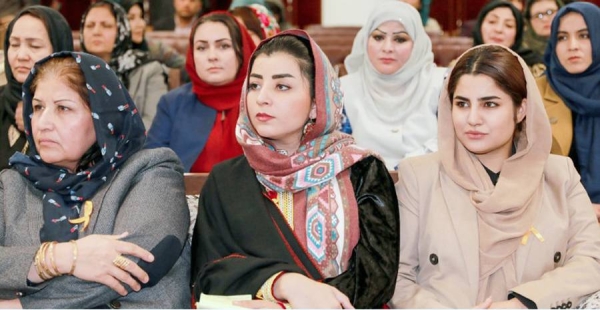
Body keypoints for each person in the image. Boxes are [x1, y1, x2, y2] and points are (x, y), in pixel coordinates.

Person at [191, 30, 399, 309]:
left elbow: (376, 279)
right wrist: (283, 284)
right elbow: (208, 275)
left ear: (316, 103)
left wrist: (290, 307)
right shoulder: (227, 179)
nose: (262, 98)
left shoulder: (361, 170)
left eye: (282, 87)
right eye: (254, 85)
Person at [389, 44, 600, 308]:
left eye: (490, 104)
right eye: (462, 104)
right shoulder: (419, 177)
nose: (473, 119)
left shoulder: (559, 176)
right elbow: (398, 277)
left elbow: (591, 262)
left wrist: (522, 304)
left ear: (521, 109)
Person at [0, 51, 190, 308]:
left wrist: (22, 306)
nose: (42, 123)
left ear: (104, 117)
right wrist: (59, 257)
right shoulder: (12, 184)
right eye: (37, 107)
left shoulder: (150, 171)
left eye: (63, 108)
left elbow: (133, 265)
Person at [145, 12, 256, 172]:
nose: (212, 56)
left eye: (223, 46)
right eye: (202, 48)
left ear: (242, 50)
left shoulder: (261, 101)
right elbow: (150, 168)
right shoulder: (172, 103)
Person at [340, 1, 444, 170]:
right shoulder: (344, 89)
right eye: (378, 37)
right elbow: (337, 148)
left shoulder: (441, 84)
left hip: (433, 185)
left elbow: (453, 142)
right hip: (362, 189)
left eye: (400, 39)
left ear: (416, 44)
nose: (387, 48)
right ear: (365, 40)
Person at [537, 2, 600, 221]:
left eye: (584, 35)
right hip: (555, 217)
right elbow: (521, 169)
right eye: (562, 37)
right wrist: (579, 207)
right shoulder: (533, 94)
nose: (573, 45)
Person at [1, 6, 73, 171]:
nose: (21, 55)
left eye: (34, 46)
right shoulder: (3, 100)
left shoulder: (79, 109)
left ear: (59, 50)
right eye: (14, 44)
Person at [80, 0, 168, 128]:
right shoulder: (71, 69)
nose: (96, 32)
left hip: (133, 146)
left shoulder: (150, 70)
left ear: (122, 30)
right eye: (90, 25)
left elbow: (154, 124)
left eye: (106, 25)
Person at [473, 0, 544, 74]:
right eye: (492, 21)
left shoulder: (533, 69)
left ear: (517, 33)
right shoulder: (465, 63)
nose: (499, 29)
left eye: (509, 25)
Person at [122, 0, 186, 69]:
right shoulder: (110, 54)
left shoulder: (155, 48)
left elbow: (188, 66)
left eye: (141, 17)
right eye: (131, 18)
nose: (141, 24)